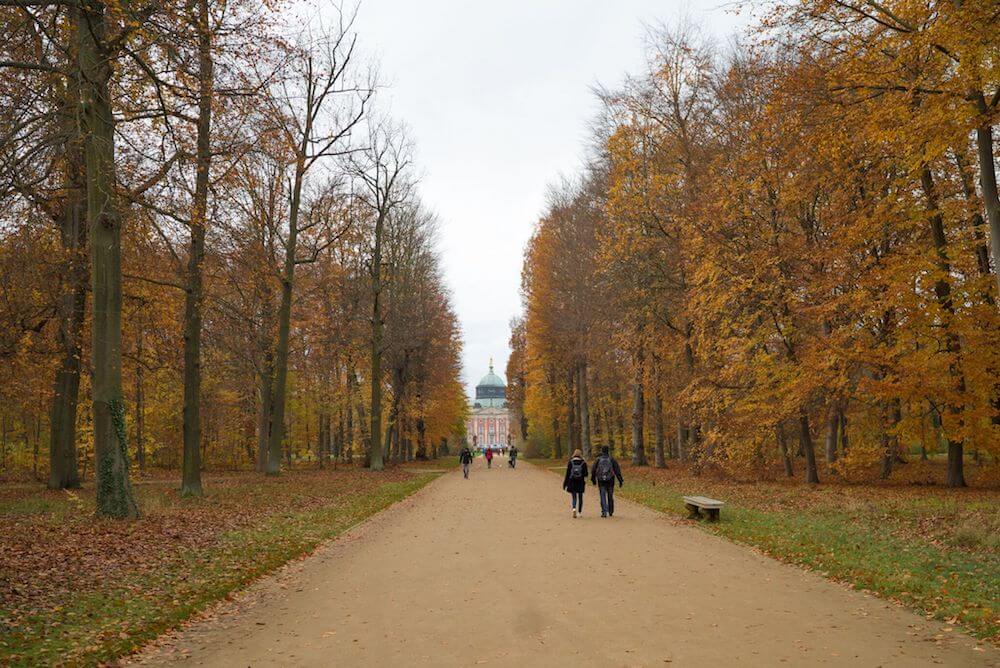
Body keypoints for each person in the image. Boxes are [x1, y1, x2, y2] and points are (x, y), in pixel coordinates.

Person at [591, 446, 624, 517]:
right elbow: (617, 471)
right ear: (608, 451)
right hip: (610, 480)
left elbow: (593, 470)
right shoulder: (612, 459)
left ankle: (604, 512)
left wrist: (593, 480)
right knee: (610, 495)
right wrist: (620, 480)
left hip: (601, 480)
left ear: (602, 451)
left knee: (602, 495)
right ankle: (611, 511)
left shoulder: (598, 459)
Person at [562, 449, 588, 518]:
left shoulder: (571, 462)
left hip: (572, 481)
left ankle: (574, 508)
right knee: (580, 497)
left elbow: (567, 474)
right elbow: (586, 474)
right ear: (580, 454)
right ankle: (579, 512)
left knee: (574, 497)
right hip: (580, 482)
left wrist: (565, 484)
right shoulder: (583, 463)